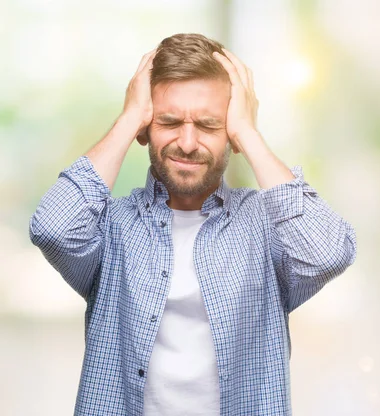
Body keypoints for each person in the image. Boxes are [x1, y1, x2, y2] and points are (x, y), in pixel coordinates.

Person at [29, 33, 356, 416]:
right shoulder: (112, 228)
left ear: (231, 133)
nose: (187, 142)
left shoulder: (265, 227)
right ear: (146, 127)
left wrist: (249, 134)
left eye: (208, 125)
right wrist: (129, 118)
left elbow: (328, 253)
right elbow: (52, 227)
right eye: (168, 121)